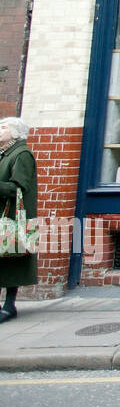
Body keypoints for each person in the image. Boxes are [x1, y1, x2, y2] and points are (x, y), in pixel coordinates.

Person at [0, 117, 38, 323]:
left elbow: (19, 187)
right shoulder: (5, 153)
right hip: (3, 216)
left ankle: (9, 305)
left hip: (12, 218)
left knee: (11, 258)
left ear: (16, 133)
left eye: (3, 127)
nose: (0, 130)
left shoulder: (22, 154)